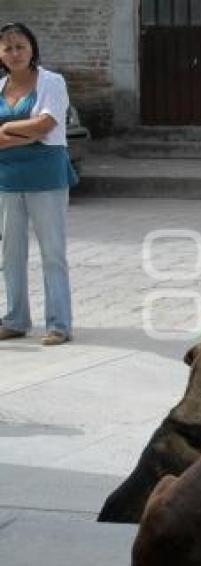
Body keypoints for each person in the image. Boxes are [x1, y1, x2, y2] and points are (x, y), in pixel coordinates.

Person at [0, 23, 77, 346]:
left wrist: (7, 132)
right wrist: (27, 132)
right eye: (7, 48)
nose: (14, 53)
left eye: (20, 46)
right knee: (11, 253)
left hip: (46, 177)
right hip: (7, 179)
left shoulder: (51, 82)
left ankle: (59, 324)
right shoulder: (0, 86)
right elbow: (34, 129)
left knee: (52, 253)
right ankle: (16, 319)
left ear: (32, 49)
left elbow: (46, 125)